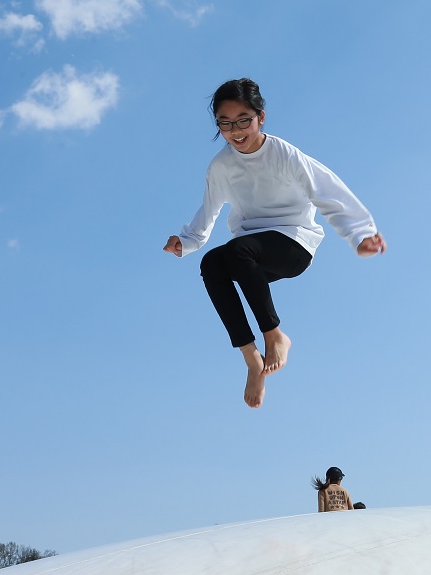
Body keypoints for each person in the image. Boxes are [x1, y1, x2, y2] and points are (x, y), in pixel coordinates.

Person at [164, 78, 387, 408]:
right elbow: (208, 209)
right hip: (251, 256)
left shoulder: (284, 154)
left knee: (239, 251)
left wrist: (359, 233)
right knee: (211, 263)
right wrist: (187, 241)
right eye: (225, 124)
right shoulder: (221, 166)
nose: (236, 131)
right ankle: (250, 357)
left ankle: (274, 335)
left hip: (294, 244)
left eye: (244, 120)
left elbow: (327, 191)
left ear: (261, 117)